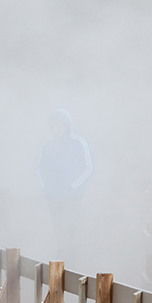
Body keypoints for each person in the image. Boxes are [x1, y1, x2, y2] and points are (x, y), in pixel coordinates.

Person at [37, 108, 93, 256]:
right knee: (58, 232)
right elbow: (39, 168)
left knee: (71, 230)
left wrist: (72, 188)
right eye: (54, 126)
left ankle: (71, 263)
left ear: (68, 126)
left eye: (61, 126)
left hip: (73, 197)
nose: (57, 130)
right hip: (53, 197)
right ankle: (60, 261)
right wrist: (46, 189)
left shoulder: (78, 143)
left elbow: (88, 168)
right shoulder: (47, 145)